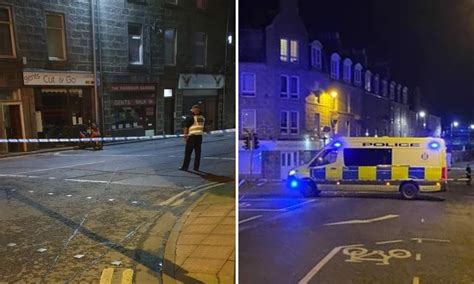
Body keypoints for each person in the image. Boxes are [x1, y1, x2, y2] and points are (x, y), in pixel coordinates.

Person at [179, 105, 205, 171]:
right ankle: (196, 168)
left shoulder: (192, 118)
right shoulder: (202, 118)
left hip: (192, 137)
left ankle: (185, 167)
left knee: (188, 153)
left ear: (194, 110)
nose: (191, 111)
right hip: (199, 137)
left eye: (192, 109)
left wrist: (185, 136)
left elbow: (186, 127)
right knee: (198, 153)